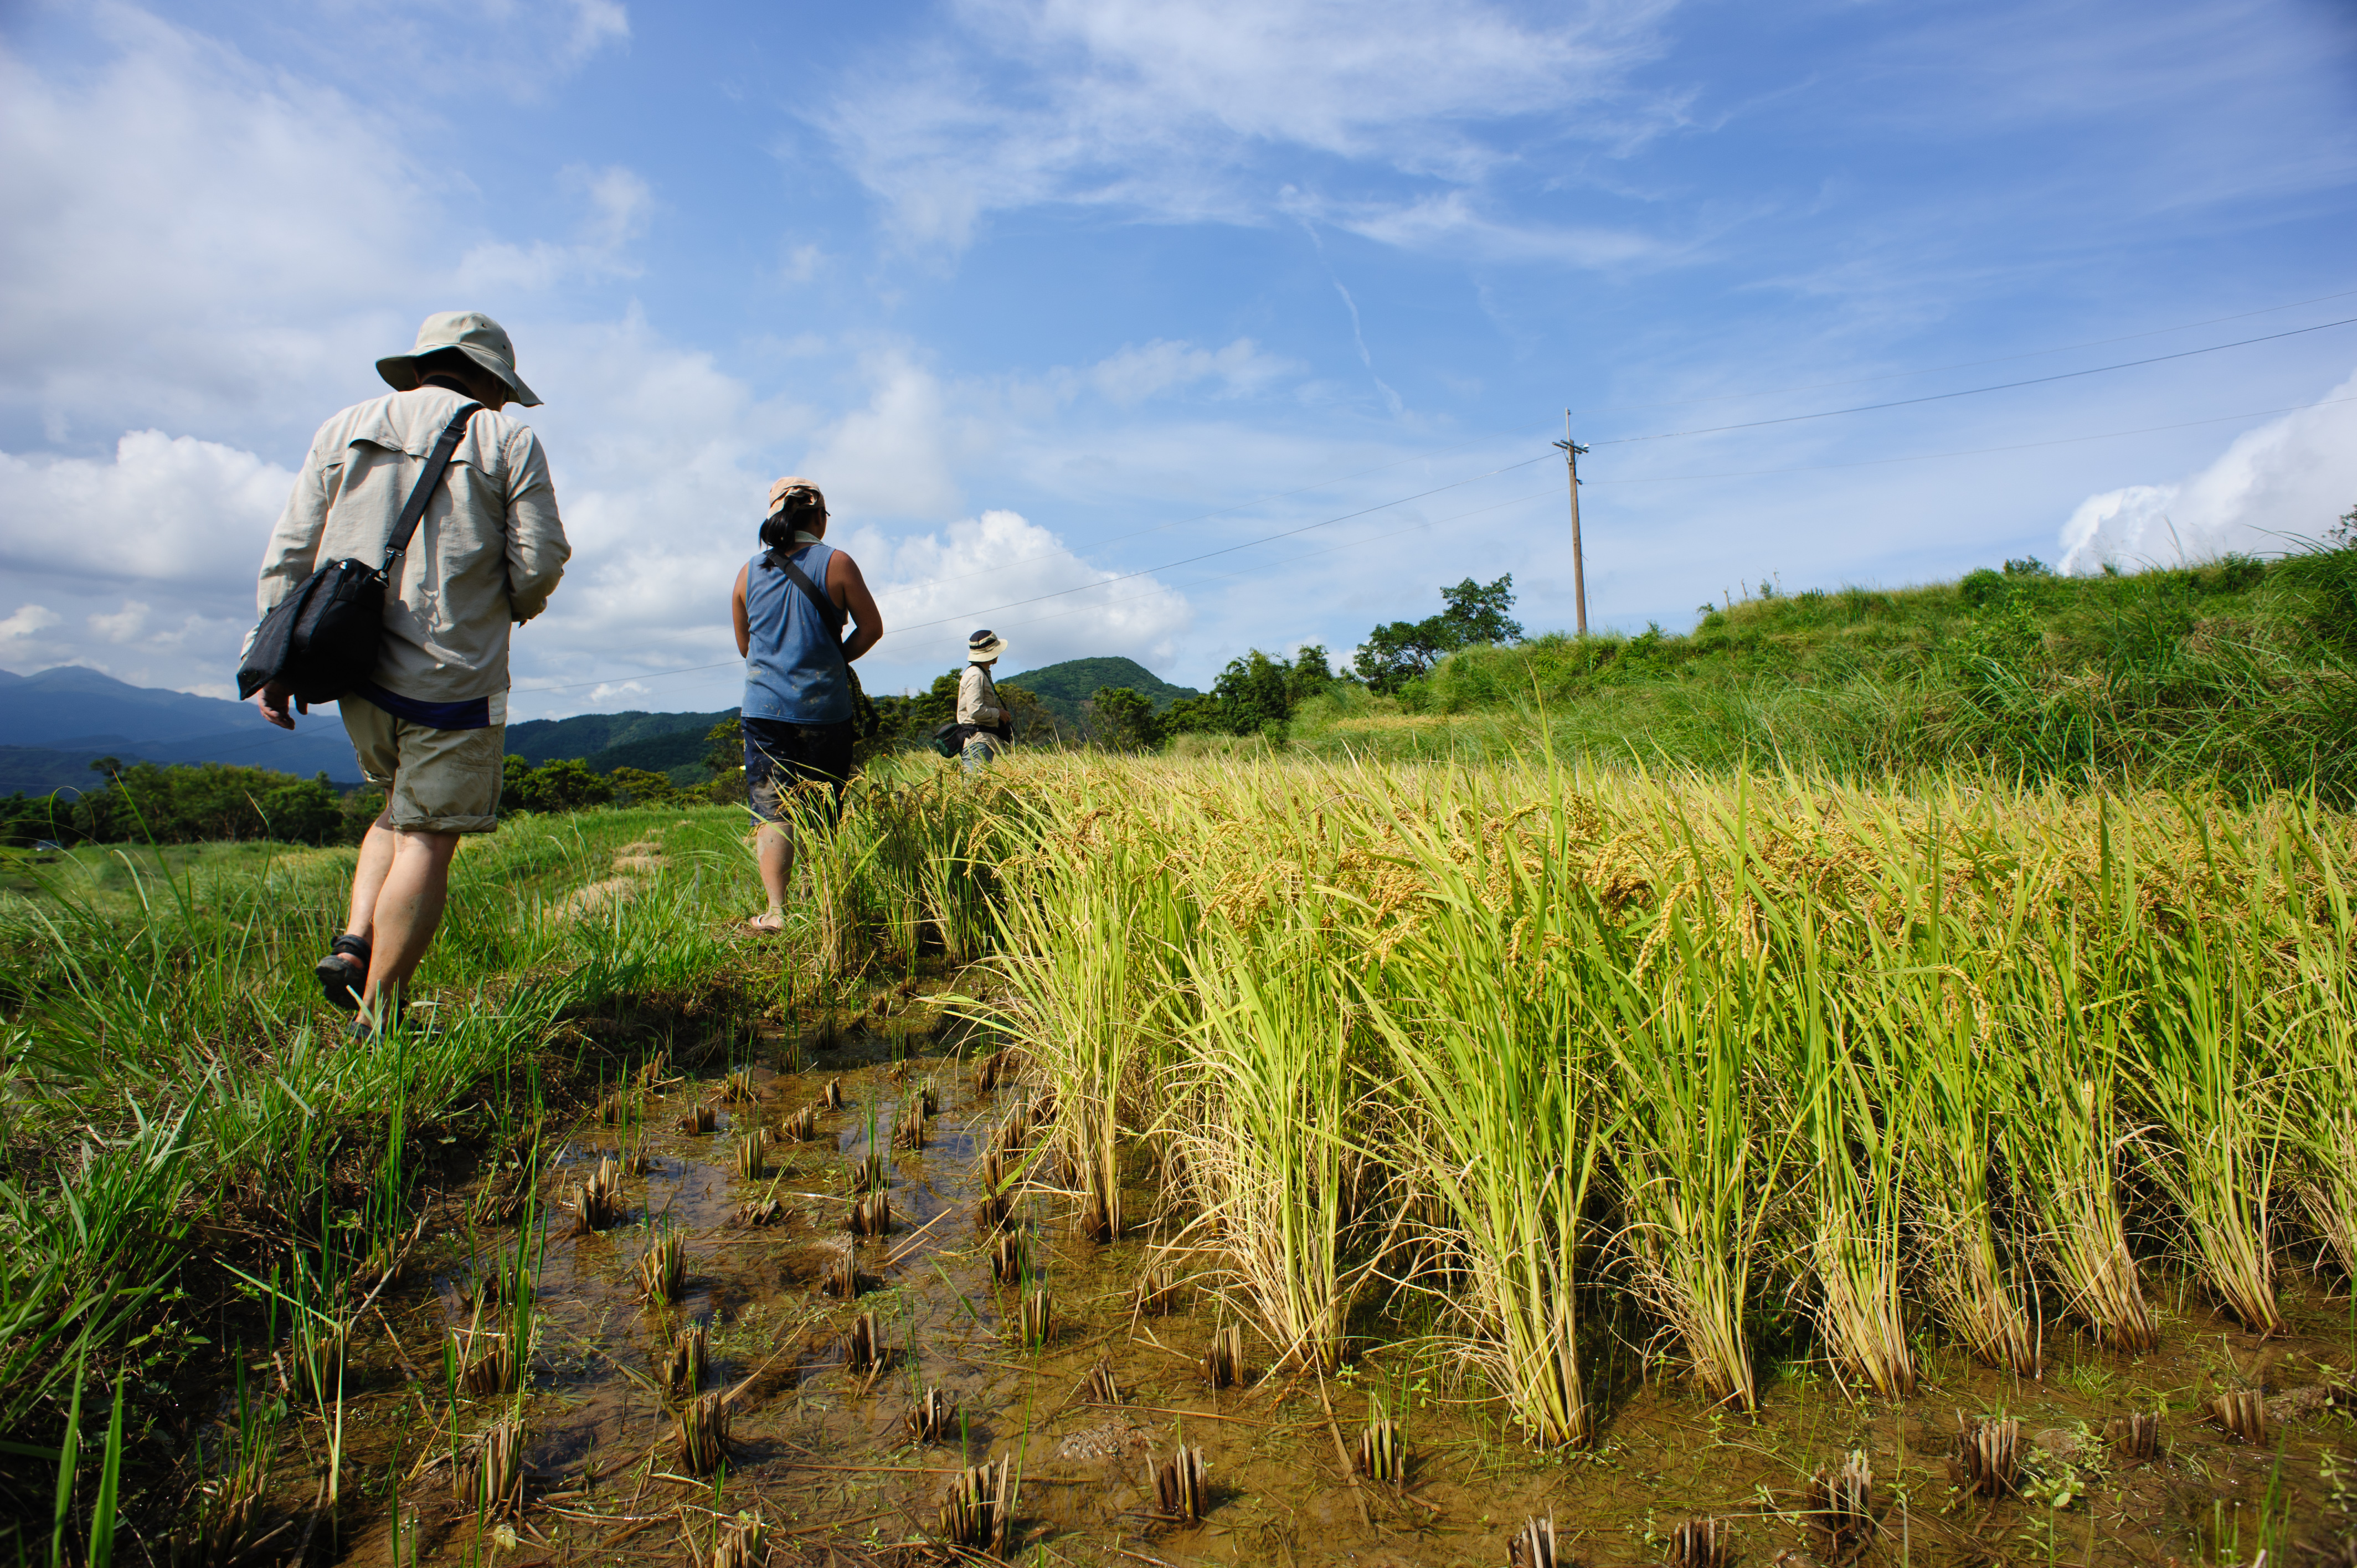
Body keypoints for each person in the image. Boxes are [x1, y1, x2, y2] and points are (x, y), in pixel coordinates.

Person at [249, 311, 569, 1029]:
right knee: (429, 834)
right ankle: (381, 1013)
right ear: (490, 378)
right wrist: (511, 604)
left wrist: (270, 657)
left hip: (352, 661)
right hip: (454, 668)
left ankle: (354, 941)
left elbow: (293, 546)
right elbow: (541, 557)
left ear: (423, 364)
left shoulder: (343, 426)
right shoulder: (503, 436)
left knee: (395, 804)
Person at [732, 477, 883, 932]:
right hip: (824, 709)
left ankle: (777, 912)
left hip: (764, 710)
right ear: (818, 518)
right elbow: (871, 628)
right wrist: (835, 658)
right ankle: (825, 904)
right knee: (824, 807)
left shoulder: (748, 572)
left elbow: (745, 646)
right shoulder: (837, 563)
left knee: (772, 811)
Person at [958, 629, 1012, 773]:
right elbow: (975, 711)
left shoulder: (981, 673)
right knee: (975, 786)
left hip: (982, 739)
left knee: (978, 786)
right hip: (978, 740)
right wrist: (998, 713)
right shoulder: (976, 675)